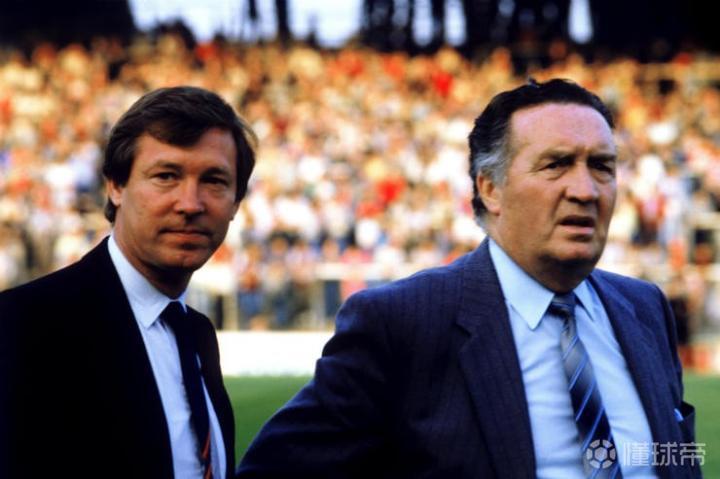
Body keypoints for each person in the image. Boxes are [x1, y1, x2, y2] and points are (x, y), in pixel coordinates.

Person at [236, 79, 700, 478]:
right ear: (490, 188)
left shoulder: (644, 308)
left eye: (602, 166)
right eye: (556, 164)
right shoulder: (405, 321)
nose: (585, 190)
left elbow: (672, 455)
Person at [0, 86, 256, 479]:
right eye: (166, 176)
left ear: (236, 202)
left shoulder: (197, 333)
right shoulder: (25, 323)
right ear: (116, 187)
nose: (191, 203)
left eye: (214, 180)